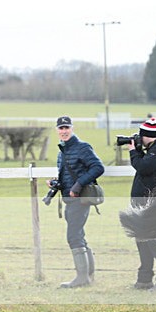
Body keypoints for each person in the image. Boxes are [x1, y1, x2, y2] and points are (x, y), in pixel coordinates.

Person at [48, 116, 104, 288]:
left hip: (79, 199)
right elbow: (67, 175)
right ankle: (88, 276)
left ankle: (82, 278)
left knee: (73, 236)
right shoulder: (62, 151)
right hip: (69, 199)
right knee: (79, 235)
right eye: (61, 128)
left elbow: (98, 167)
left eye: (66, 128)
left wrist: (78, 185)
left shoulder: (82, 147)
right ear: (57, 130)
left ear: (72, 128)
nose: (64, 131)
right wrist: (55, 183)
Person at [127, 117, 156, 290]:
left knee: (155, 242)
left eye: (141, 136)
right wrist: (139, 150)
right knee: (142, 241)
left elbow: (142, 167)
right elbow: (144, 169)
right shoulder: (153, 150)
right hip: (144, 204)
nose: (139, 139)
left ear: (149, 136)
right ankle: (144, 280)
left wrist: (133, 151)